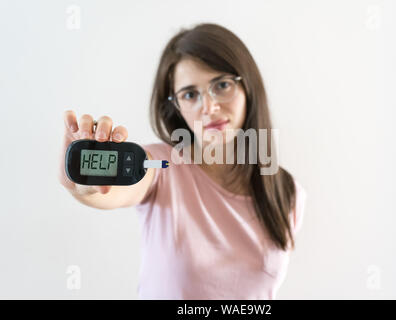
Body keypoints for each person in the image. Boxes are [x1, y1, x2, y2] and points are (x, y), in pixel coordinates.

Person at [59, 23, 307, 299]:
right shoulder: (159, 166)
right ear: (176, 107)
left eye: (222, 85)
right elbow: (114, 192)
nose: (209, 107)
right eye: (190, 94)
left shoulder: (287, 191)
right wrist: (84, 186)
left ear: (247, 86)